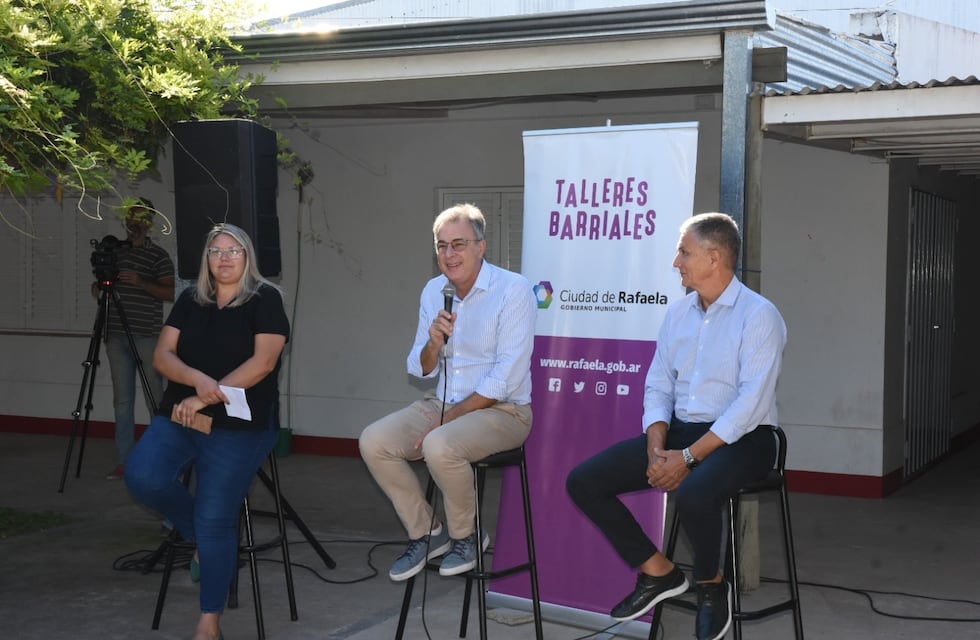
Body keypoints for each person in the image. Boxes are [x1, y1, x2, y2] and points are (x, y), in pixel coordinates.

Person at [566, 212, 787, 640]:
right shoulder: (679, 313)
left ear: (715, 257)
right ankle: (660, 573)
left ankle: (711, 586)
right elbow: (658, 384)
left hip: (749, 439)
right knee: (584, 481)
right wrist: (657, 448)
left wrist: (686, 459)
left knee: (694, 492)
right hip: (684, 431)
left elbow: (749, 404)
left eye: (684, 252)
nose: (676, 262)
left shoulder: (760, 316)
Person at [124, 223, 289, 640]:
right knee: (143, 477)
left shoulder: (265, 299)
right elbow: (162, 356)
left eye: (233, 250)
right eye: (216, 251)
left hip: (239, 425)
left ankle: (208, 623)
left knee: (217, 517)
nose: (225, 258)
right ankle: (200, 536)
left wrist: (207, 396)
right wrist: (196, 380)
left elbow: (264, 363)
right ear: (207, 260)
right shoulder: (190, 300)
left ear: (247, 256)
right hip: (182, 415)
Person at [359, 203, 537, 582]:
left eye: (459, 244)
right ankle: (428, 532)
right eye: (442, 246)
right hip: (441, 403)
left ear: (481, 246)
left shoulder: (513, 289)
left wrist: (449, 421)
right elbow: (420, 367)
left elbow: (507, 376)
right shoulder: (433, 291)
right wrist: (434, 342)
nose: (449, 254)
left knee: (440, 444)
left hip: (505, 412)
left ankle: (468, 536)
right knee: (374, 440)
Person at [93, 198, 175, 480]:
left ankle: (159, 459)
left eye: (140, 219)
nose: (133, 223)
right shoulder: (115, 252)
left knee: (156, 398)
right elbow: (96, 289)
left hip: (148, 336)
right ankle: (126, 461)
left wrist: (140, 282)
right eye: (130, 218)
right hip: (115, 335)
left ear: (149, 222)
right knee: (122, 401)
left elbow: (170, 293)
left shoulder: (159, 256)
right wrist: (102, 283)